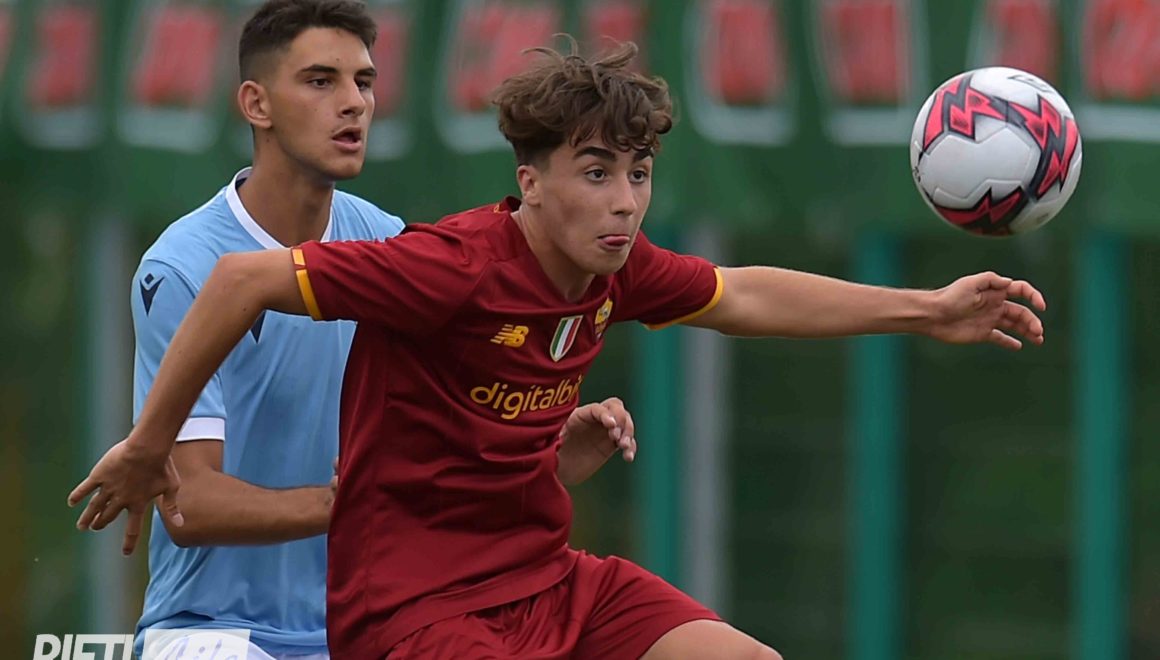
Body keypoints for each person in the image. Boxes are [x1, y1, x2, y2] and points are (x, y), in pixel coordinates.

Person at [71, 41, 1047, 658]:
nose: (624, 201)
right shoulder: (450, 267)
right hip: (414, 615)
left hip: (548, 582)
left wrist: (929, 309)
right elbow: (240, 280)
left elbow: (743, 294)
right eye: (595, 172)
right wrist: (150, 445)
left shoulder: (615, 269)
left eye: (638, 172)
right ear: (531, 182)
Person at [115, 4, 637, 658]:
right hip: (210, 630)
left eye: (363, 82)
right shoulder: (182, 267)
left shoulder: (389, 244)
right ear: (256, 103)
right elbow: (188, 503)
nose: (353, 103)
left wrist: (549, 458)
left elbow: (454, 468)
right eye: (320, 81)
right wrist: (358, 503)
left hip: (375, 623)